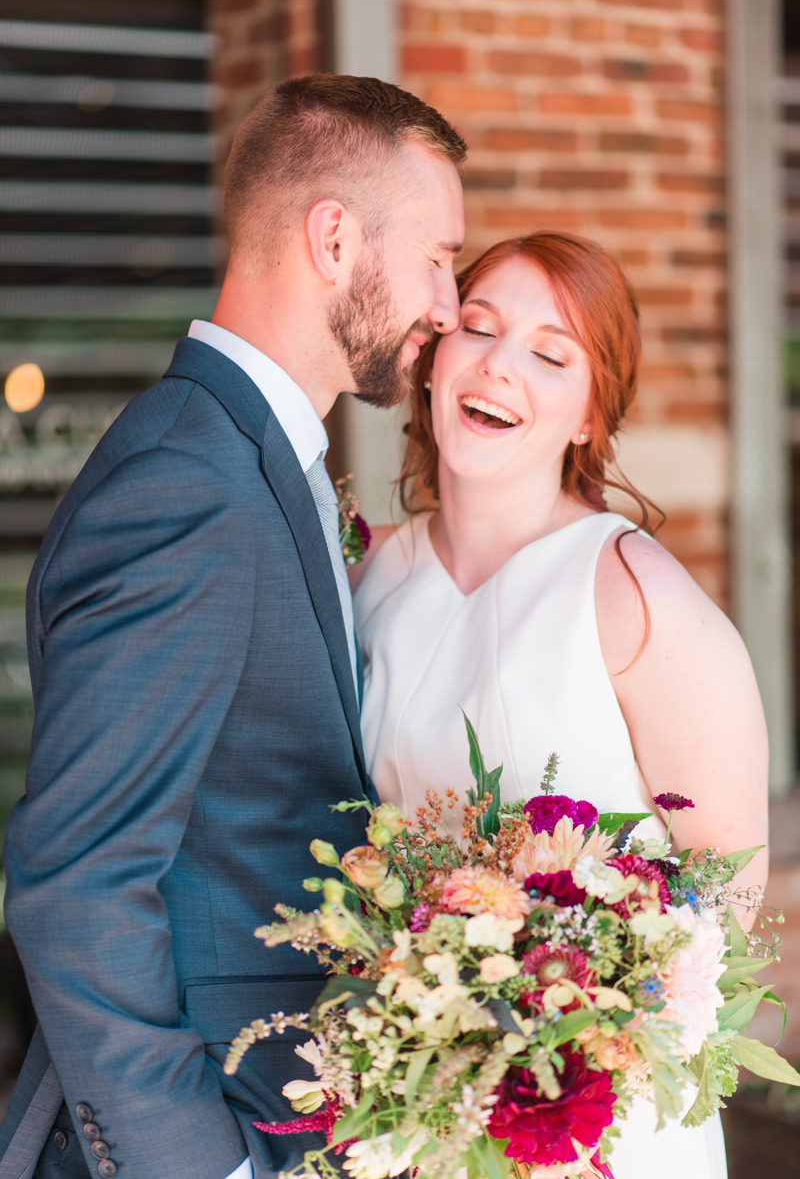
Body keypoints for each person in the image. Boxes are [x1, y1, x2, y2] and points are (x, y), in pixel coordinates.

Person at [0, 75, 465, 1179]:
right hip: (209, 1127)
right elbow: (76, 879)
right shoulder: (186, 482)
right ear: (334, 237)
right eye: (438, 256)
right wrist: (202, 1166)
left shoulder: (256, 458)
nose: (447, 303)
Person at [351, 231, 769, 1179]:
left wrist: (574, 1043)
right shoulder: (375, 578)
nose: (500, 365)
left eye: (551, 353)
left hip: (594, 1132)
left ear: (589, 414)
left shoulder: (635, 596)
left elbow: (726, 911)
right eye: (478, 328)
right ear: (432, 360)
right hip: (414, 1113)